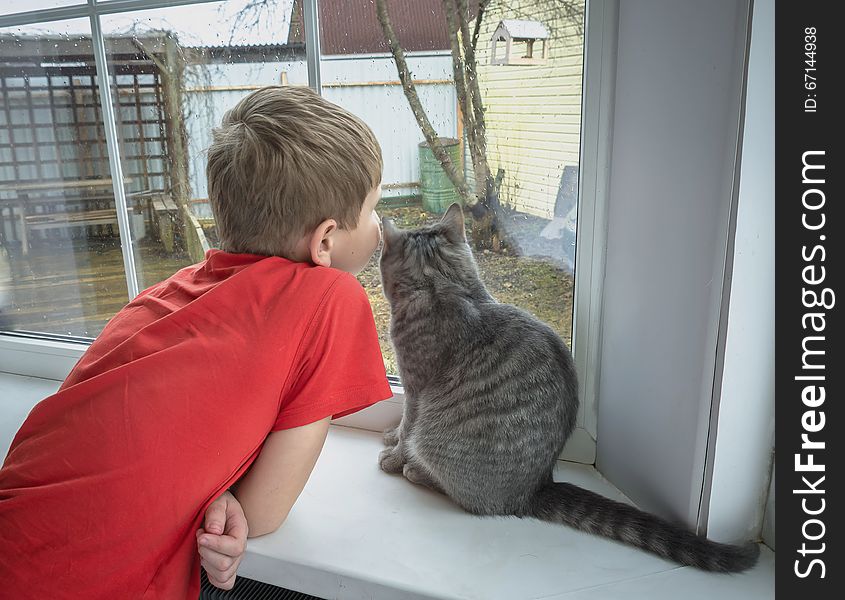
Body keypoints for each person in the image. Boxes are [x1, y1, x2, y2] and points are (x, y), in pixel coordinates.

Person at [0, 86, 392, 598]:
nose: (380, 227)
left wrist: (217, 489)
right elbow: (267, 511)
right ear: (325, 242)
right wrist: (237, 502)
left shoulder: (171, 292)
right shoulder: (331, 296)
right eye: (372, 209)